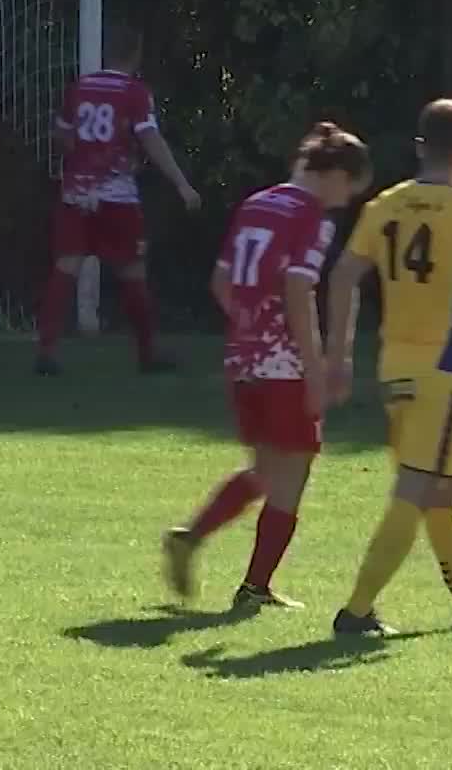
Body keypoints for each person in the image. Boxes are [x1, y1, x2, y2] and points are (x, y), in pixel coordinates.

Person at [324, 99, 452, 637]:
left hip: (394, 364)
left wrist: (339, 355)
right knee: (417, 487)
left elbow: (343, 276)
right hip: (445, 369)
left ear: (420, 147)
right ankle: (356, 611)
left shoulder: (384, 205)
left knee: (439, 488)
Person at [163, 123, 371, 609]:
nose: (344, 203)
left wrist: (249, 325)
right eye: (348, 191)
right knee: (290, 473)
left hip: (244, 358)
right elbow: (298, 289)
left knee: (267, 469)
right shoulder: (312, 216)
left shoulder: (257, 204)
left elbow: (221, 282)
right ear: (336, 175)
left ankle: (199, 543)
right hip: (284, 362)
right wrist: (315, 370)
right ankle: (249, 582)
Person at [35, 31, 201, 376]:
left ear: (107, 52)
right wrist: (181, 184)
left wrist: (81, 154)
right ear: (135, 54)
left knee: (65, 267)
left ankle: (46, 351)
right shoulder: (134, 92)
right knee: (132, 272)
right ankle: (147, 354)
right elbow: (150, 138)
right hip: (117, 196)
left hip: (76, 193)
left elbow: (61, 136)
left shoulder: (79, 87)